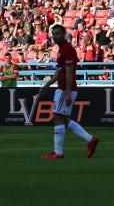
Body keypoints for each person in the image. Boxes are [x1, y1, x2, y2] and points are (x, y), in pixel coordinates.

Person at [37, 24, 99, 159]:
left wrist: (68, 92)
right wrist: (47, 85)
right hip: (63, 86)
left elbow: (70, 71)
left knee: (57, 117)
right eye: (53, 34)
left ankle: (58, 152)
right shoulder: (61, 49)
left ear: (64, 33)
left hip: (65, 88)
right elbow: (60, 71)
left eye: (57, 33)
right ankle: (90, 139)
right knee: (63, 119)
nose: (55, 36)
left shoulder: (67, 49)